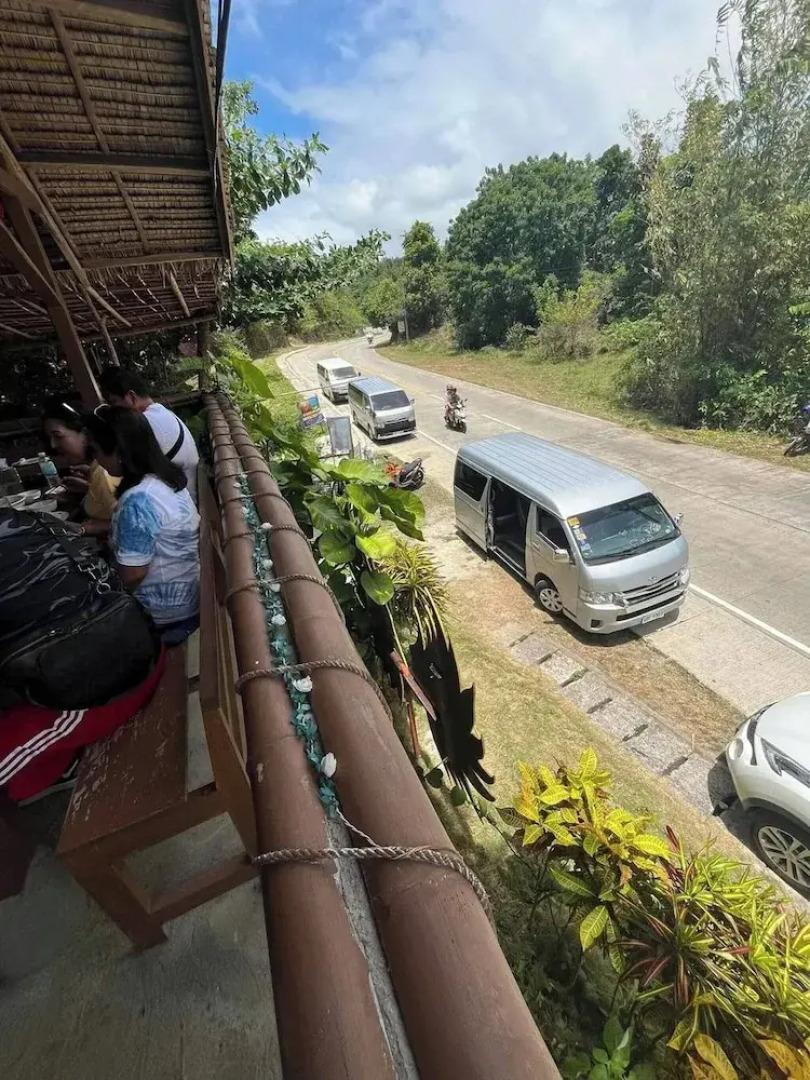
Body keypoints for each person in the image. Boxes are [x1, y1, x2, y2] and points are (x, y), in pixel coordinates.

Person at [85, 406, 200, 646]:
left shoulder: (139, 499)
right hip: (188, 601)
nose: (95, 458)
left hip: (164, 618)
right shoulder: (165, 479)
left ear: (117, 450)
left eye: (96, 450)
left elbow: (133, 574)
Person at [97, 366, 199, 502]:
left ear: (131, 397)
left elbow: (125, 473)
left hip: (180, 504)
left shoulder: (147, 424)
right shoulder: (160, 413)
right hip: (185, 497)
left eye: (113, 402)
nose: (112, 410)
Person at [41, 397, 120, 536]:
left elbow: (132, 523)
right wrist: (89, 487)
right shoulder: (97, 468)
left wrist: (90, 527)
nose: (53, 444)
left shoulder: (103, 473)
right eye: (50, 438)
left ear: (85, 434)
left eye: (57, 436)